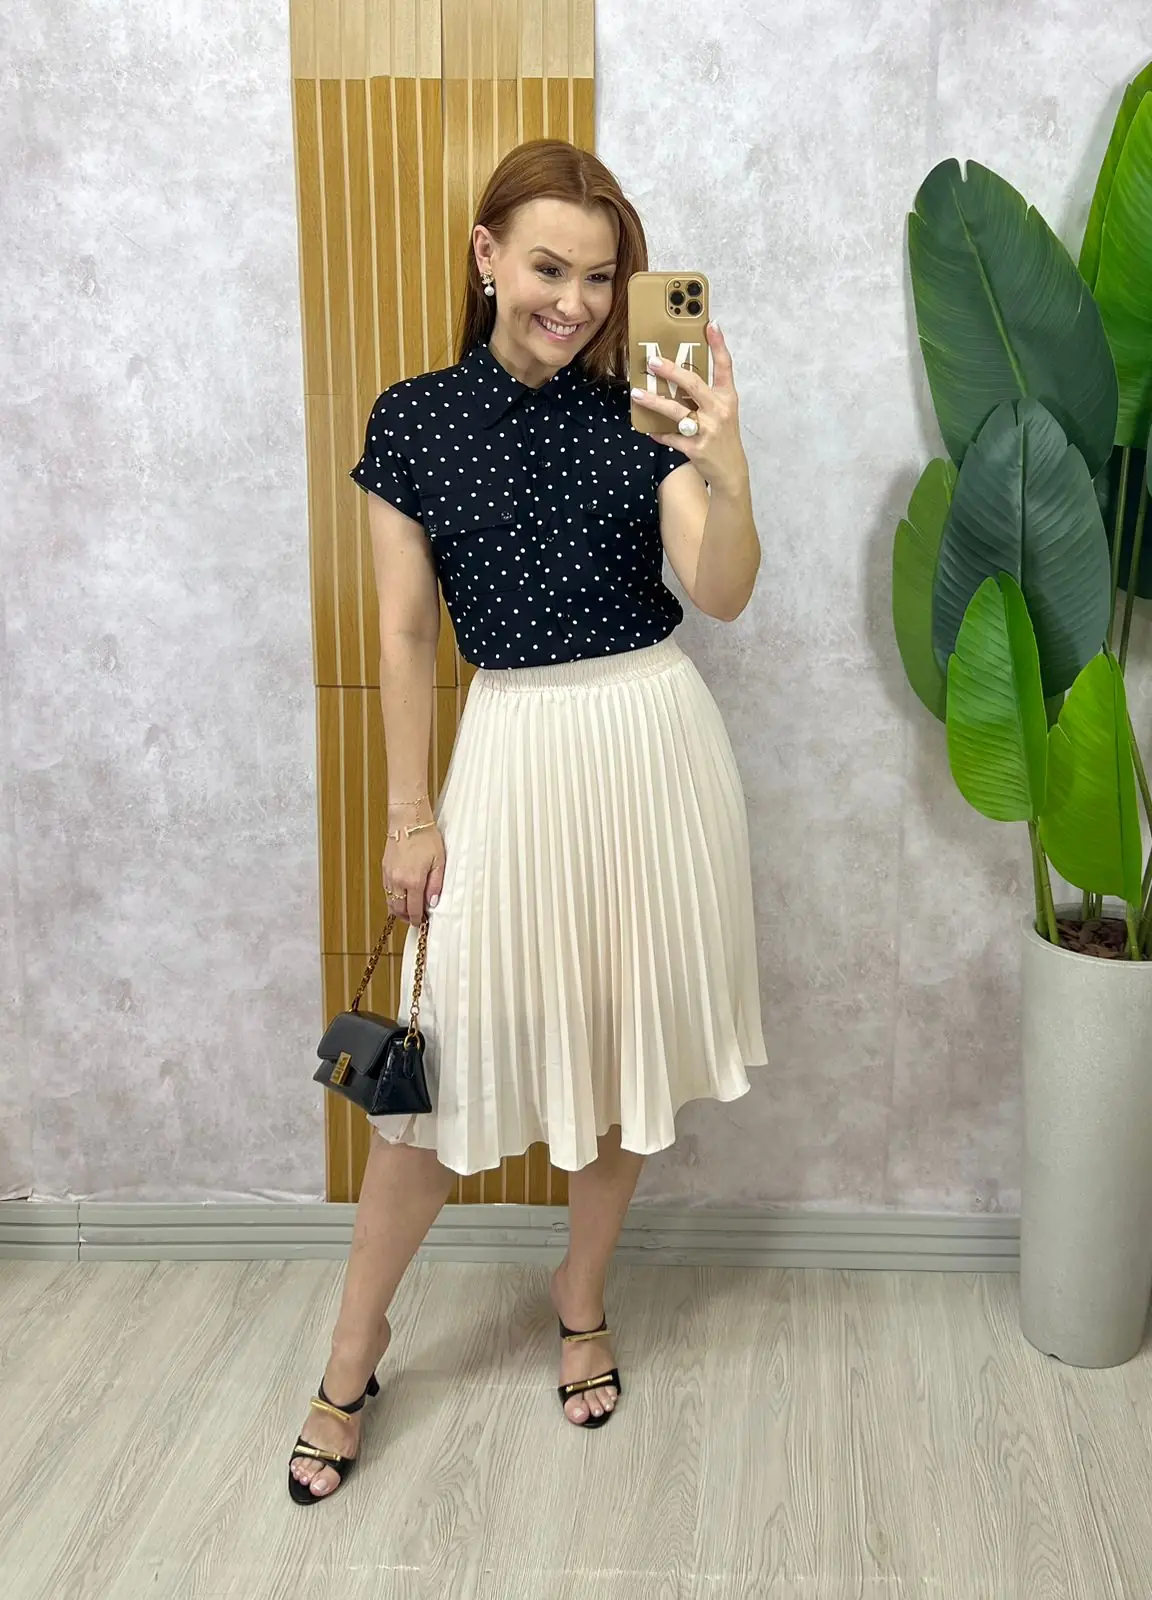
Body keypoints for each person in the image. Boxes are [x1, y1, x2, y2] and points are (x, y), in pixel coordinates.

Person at [288, 138, 767, 1505]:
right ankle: (352, 1352)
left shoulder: (641, 411)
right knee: (435, 1085)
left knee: (620, 1050)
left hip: (654, 742)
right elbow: (401, 633)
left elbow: (722, 591)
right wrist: (409, 816)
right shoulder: (414, 420)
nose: (577, 301)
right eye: (551, 267)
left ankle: (581, 1298)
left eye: (602, 277)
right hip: (511, 753)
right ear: (488, 255)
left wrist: (727, 461)